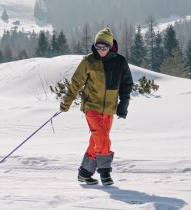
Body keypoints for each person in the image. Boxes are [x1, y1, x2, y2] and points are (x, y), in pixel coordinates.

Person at [60, 28, 133, 185]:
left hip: (109, 109)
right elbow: (75, 83)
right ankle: (105, 173)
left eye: (104, 47)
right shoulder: (89, 61)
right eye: (98, 47)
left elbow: (127, 85)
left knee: (97, 141)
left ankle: (84, 172)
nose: (101, 50)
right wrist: (66, 103)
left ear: (111, 46)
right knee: (103, 139)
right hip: (91, 107)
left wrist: (123, 105)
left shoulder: (120, 61)